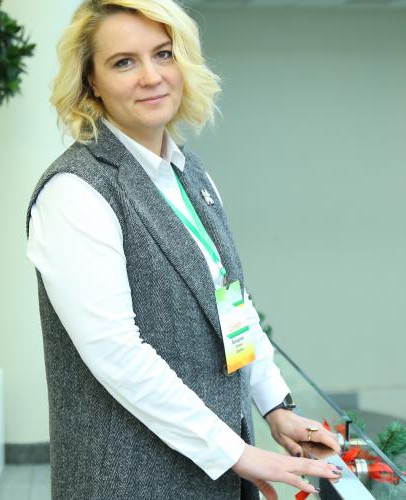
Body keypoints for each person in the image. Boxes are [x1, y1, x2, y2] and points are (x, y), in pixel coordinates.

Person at [26, 1, 342, 499]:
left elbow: (231, 303)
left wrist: (275, 406)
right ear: (91, 82)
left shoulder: (190, 173)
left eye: (163, 54)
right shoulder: (74, 191)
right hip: (129, 481)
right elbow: (116, 353)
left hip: (215, 472)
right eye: (124, 62)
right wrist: (238, 453)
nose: (151, 76)